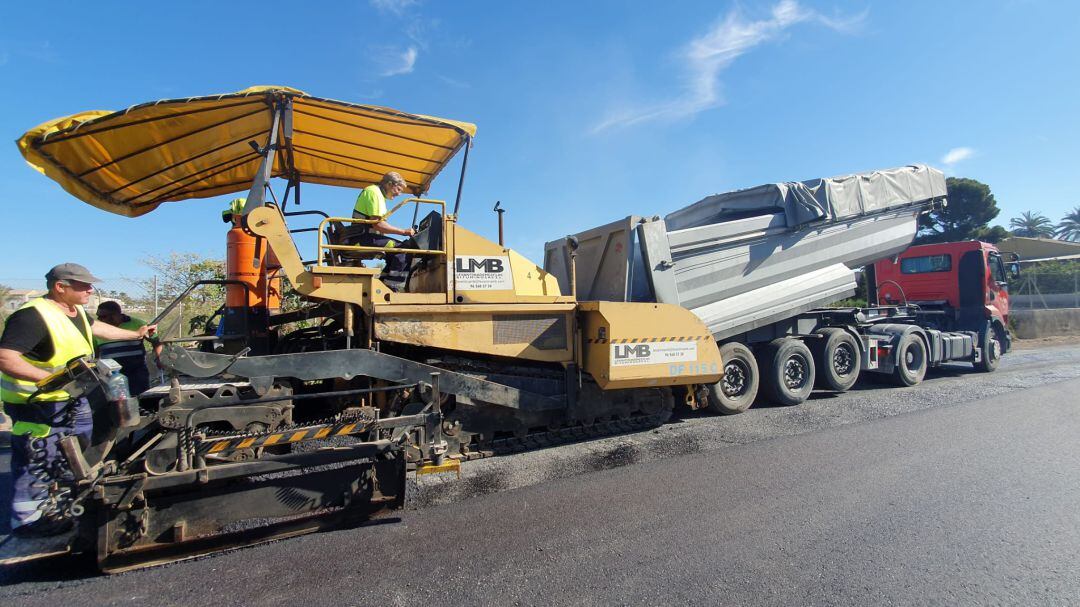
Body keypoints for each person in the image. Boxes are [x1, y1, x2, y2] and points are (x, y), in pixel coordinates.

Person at [0, 263, 156, 537]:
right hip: (40, 403)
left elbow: (100, 329)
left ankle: (61, 502)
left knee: (73, 453)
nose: (90, 290)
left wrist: (136, 334)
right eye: (83, 286)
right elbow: (6, 357)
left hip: (73, 398)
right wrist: (45, 379)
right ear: (60, 287)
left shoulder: (76, 313)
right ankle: (28, 520)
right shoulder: (33, 316)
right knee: (38, 456)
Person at [352, 172, 416, 290]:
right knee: (404, 250)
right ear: (389, 184)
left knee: (393, 255)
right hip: (364, 238)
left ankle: (382, 286)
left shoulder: (374, 192)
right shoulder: (374, 193)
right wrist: (404, 232)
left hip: (362, 235)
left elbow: (378, 225)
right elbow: (378, 225)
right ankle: (392, 290)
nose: (399, 193)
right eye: (398, 189)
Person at [93, 301, 152, 396]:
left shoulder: (138, 324)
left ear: (116, 315)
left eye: (103, 316)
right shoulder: (98, 330)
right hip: (111, 375)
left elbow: (155, 341)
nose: (99, 319)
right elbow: (96, 352)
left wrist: (159, 359)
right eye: (98, 316)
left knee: (141, 398)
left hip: (136, 371)